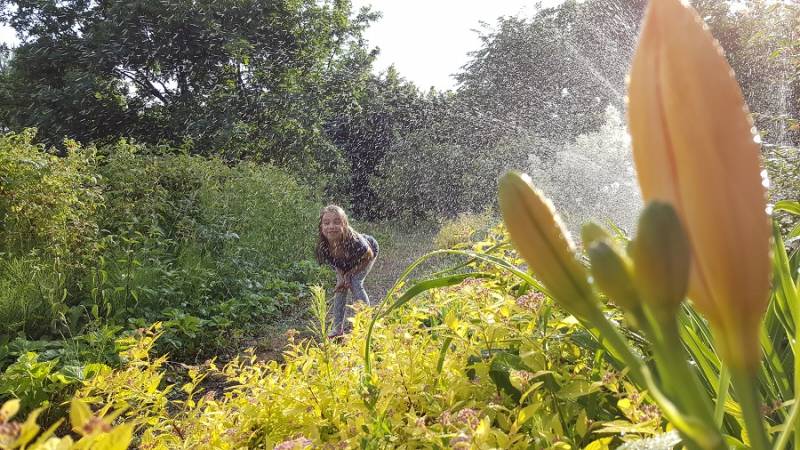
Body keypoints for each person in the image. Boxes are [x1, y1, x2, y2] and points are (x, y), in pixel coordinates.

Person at [315, 205, 379, 339]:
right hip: (345, 262)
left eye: (336, 222)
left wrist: (350, 273)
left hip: (365, 256)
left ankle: (366, 325)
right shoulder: (323, 246)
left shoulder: (355, 241)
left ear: (344, 224)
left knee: (355, 282)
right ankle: (337, 329)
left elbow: (368, 255)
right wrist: (341, 277)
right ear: (321, 227)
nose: (331, 226)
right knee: (341, 288)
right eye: (326, 223)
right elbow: (335, 263)